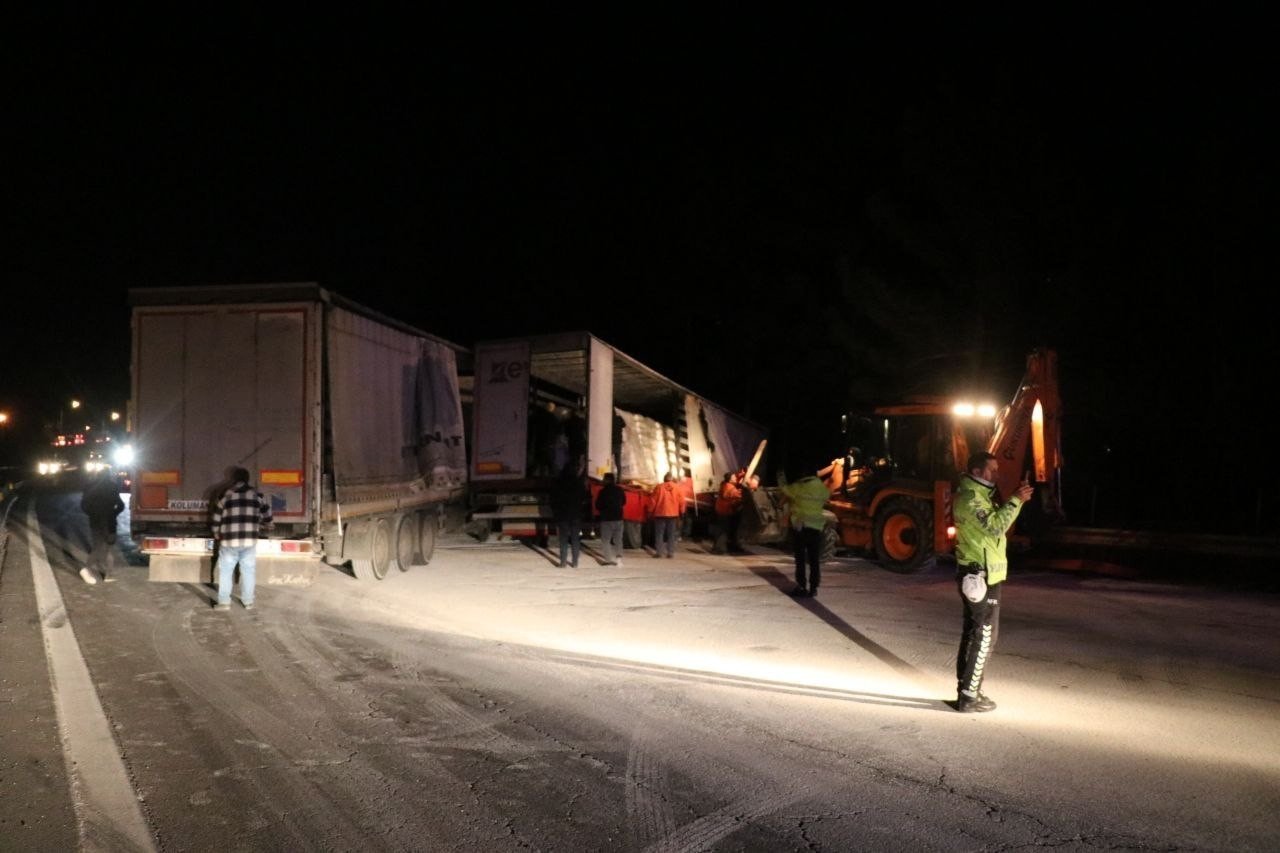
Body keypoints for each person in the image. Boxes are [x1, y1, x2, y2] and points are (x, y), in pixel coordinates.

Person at [953, 451, 1033, 713]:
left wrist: (1013, 500)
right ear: (977, 472)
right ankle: (969, 696)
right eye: (992, 470)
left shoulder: (979, 496)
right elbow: (996, 527)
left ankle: (969, 688)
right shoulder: (972, 499)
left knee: (975, 632)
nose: (997, 474)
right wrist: (1016, 501)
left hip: (985, 574)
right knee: (984, 634)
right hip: (980, 575)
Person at [211, 467, 273, 610]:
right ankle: (248, 602)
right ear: (247, 479)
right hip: (249, 541)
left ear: (233, 479)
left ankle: (224, 603)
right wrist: (268, 524)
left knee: (226, 571)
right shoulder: (257, 495)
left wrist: (216, 532)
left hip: (229, 541)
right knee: (248, 571)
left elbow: (216, 517)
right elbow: (267, 514)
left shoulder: (225, 495)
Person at [780, 473, 830, 597]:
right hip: (816, 528)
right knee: (814, 560)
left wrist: (781, 474)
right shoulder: (821, 487)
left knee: (800, 559)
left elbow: (784, 489)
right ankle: (813, 588)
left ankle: (801, 586)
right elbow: (826, 497)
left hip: (801, 528)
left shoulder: (799, 486)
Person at [79, 469, 125, 584]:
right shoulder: (112, 487)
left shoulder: (89, 486)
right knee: (108, 548)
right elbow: (120, 505)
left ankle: (104, 573)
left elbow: (83, 505)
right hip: (109, 521)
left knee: (97, 545)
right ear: (109, 476)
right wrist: (114, 513)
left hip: (95, 521)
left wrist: (91, 513)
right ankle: (90, 569)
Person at [550, 461, 589, 567]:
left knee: (563, 539)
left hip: (562, 515)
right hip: (576, 515)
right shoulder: (578, 483)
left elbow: (553, 499)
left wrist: (555, 512)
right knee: (575, 539)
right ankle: (575, 562)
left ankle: (563, 562)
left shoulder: (558, 483)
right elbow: (585, 497)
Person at [712, 468, 752, 553]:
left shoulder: (726, 484)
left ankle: (722, 547)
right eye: (733, 477)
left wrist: (742, 474)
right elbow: (738, 495)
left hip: (722, 510)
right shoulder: (729, 488)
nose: (735, 478)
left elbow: (737, 478)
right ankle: (719, 549)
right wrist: (749, 489)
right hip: (724, 512)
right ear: (730, 479)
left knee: (724, 529)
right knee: (723, 531)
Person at [649, 472, 683, 558]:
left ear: (664, 479)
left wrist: (650, 510)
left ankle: (659, 552)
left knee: (659, 534)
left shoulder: (659, 487)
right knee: (671, 534)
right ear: (672, 479)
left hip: (660, 513)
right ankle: (670, 553)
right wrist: (682, 512)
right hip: (673, 514)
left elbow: (653, 500)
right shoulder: (677, 488)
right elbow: (682, 502)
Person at [595, 472, 626, 565]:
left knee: (606, 540)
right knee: (618, 539)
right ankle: (619, 557)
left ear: (608, 480)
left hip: (607, 519)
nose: (603, 480)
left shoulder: (603, 491)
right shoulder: (620, 490)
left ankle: (608, 559)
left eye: (604, 479)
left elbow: (598, 505)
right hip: (619, 518)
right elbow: (624, 502)